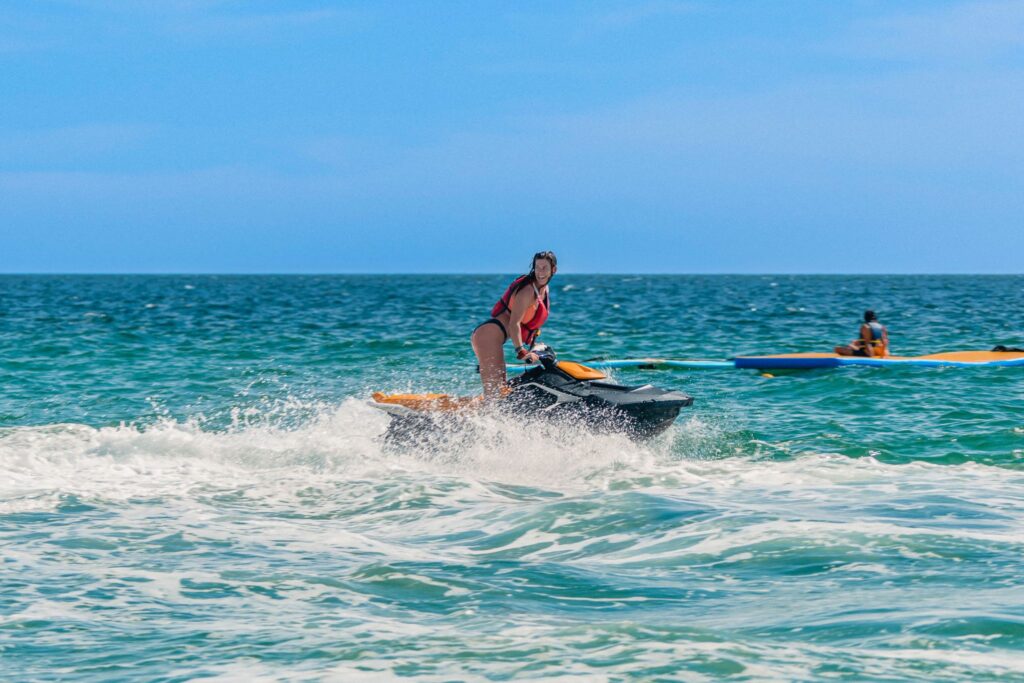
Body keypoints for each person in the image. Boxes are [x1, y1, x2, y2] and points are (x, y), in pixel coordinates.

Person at [471, 251, 557, 399]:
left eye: (544, 267)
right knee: (494, 393)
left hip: (496, 337)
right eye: (537, 267)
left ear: (553, 269)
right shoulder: (528, 291)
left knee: (500, 388)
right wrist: (521, 351)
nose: (540, 272)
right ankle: (479, 417)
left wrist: (535, 347)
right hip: (488, 336)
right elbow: (514, 323)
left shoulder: (544, 289)